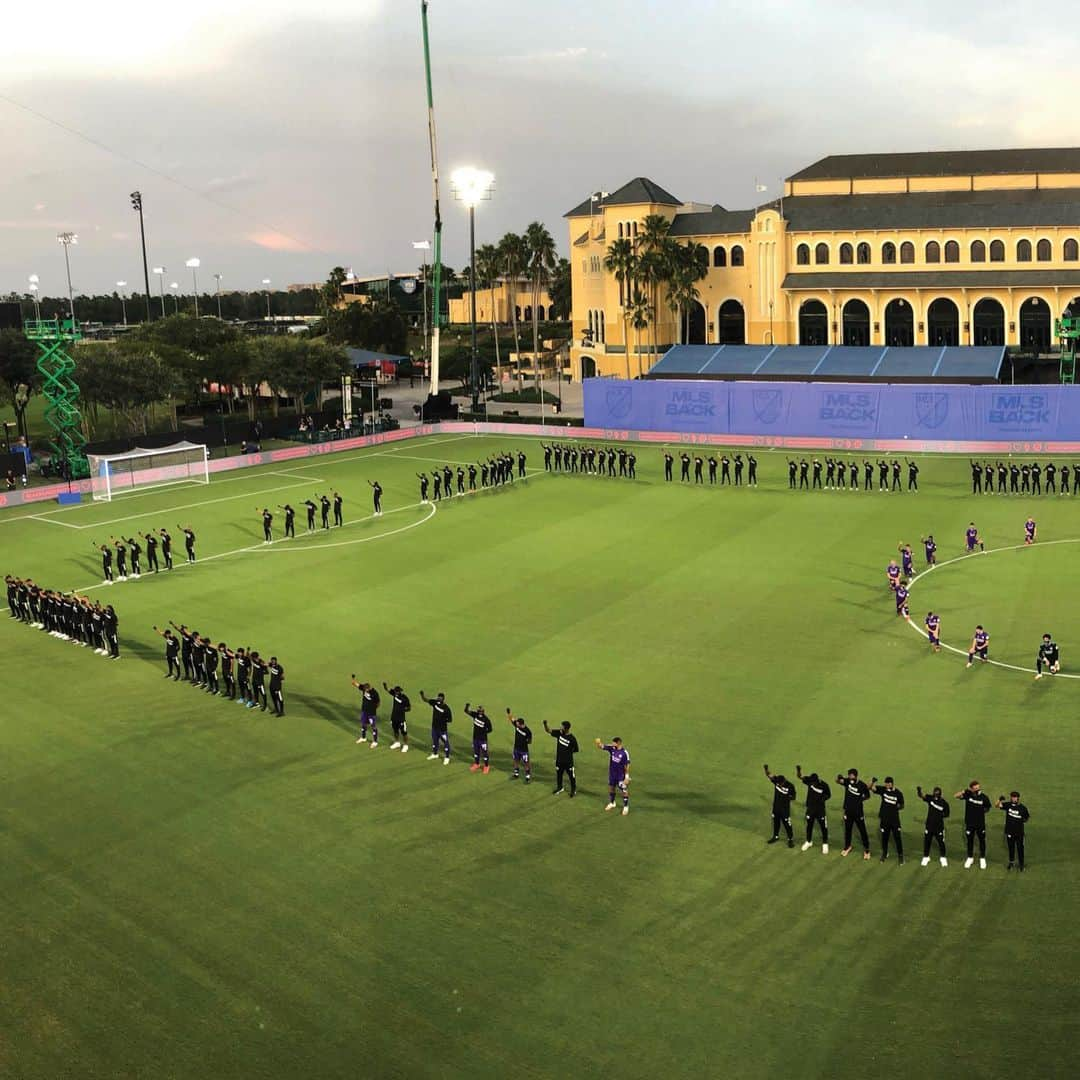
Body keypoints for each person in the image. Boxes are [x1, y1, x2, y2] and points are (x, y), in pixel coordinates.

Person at [836, 768, 872, 859]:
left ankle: (867, 850)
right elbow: (838, 781)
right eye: (849, 775)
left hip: (858, 812)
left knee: (862, 831)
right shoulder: (847, 781)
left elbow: (868, 795)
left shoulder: (862, 785)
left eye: (852, 775)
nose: (850, 777)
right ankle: (847, 846)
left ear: (856, 776)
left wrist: (861, 799)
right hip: (848, 811)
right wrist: (838, 778)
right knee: (848, 830)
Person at [956, 780, 993, 869]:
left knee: (982, 841)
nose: (977, 789)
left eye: (978, 787)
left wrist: (981, 812)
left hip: (980, 823)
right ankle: (970, 858)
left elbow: (988, 807)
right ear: (971, 789)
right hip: (969, 823)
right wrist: (964, 791)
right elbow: (956, 796)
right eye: (975, 788)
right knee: (970, 841)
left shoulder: (984, 797)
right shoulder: (967, 795)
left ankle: (982, 858)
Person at [869, 776, 905, 863]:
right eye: (886, 783)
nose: (887, 785)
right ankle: (885, 853)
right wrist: (872, 782)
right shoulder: (883, 790)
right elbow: (871, 788)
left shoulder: (898, 793)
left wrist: (897, 806)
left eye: (888, 783)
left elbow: (902, 805)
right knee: (884, 838)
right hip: (884, 819)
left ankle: (900, 856)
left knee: (897, 838)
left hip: (894, 820)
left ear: (892, 784)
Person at [795, 765, 830, 853]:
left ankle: (825, 843)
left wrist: (823, 799)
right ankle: (809, 842)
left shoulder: (824, 785)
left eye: (813, 782)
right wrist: (799, 770)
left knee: (823, 827)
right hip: (810, 809)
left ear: (817, 780)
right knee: (809, 826)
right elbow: (799, 776)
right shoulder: (809, 780)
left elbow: (829, 795)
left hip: (820, 810)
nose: (812, 784)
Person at [916, 784, 950, 867]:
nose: (936, 794)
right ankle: (926, 857)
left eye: (937, 793)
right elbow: (922, 796)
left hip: (939, 827)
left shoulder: (944, 803)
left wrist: (939, 816)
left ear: (940, 794)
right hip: (929, 826)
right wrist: (919, 791)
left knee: (941, 843)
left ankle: (943, 857)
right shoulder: (930, 798)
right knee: (927, 842)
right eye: (935, 793)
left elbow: (947, 814)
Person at [543, 719, 579, 796]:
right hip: (559, 760)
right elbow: (548, 730)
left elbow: (576, 749)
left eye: (562, 727)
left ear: (566, 728)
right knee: (559, 775)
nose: (560, 728)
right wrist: (545, 724)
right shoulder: (559, 733)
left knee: (571, 776)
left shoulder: (572, 739)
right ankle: (560, 788)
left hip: (568, 762)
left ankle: (573, 790)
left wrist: (567, 753)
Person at [996, 791, 1030, 871]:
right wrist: (999, 800)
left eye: (1015, 797)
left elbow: (1026, 818)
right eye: (1012, 797)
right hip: (1009, 832)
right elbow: (997, 806)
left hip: (1019, 833)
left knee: (1020, 849)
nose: (1013, 798)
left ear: (1018, 798)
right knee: (1011, 848)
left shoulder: (1023, 808)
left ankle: (1021, 864)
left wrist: (1020, 821)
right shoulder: (1008, 805)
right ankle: (1011, 863)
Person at [763, 764, 796, 846]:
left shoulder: (790, 786)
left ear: (784, 781)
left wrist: (787, 798)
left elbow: (794, 797)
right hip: (776, 807)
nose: (779, 785)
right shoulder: (777, 780)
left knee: (787, 824)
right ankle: (776, 836)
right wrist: (766, 769)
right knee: (776, 822)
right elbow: (769, 775)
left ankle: (790, 839)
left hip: (785, 809)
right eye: (779, 784)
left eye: (781, 784)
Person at [597, 738, 631, 814]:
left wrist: (627, 777)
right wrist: (599, 743)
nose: (612, 744)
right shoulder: (612, 748)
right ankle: (612, 803)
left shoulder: (624, 753)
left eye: (613, 743)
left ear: (618, 743)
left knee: (624, 790)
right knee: (611, 788)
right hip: (612, 774)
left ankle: (626, 806)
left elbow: (627, 765)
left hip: (620, 776)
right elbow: (602, 746)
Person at [420, 690, 453, 763]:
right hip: (434, 728)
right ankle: (435, 754)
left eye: (440, 698)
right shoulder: (435, 703)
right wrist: (422, 695)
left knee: (445, 742)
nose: (439, 698)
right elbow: (426, 700)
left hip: (442, 729)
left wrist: (443, 720)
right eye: (438, 697)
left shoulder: (446, 708)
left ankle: (447, 757)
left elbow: (450, 720)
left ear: (443, 699)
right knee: (435, 741)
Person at [464, 702, 493, 773]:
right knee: (476, 753)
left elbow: (490, 729)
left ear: (483, 712)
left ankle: (486, 766)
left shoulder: (486, 720)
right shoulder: (475, 715)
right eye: (479, 711)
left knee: (484, 754)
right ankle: (477, 764)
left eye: (481, 711)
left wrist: (484, 732)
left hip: (483, 740)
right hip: (475, 738)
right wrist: (467, 706)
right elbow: (466, 711)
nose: (479, 713)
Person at [382, 682, 411, 751]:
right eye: (395, 691)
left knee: (404, 732)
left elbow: (409, 708)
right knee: (395, 731)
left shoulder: (404, 698)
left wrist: (403, 709)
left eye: (397, 691)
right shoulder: (394, 694)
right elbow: (387, 689)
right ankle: (397, 742)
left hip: (401, 718)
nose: (396, 692)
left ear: (400, 691)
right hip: (394, 717)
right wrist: (385, 686)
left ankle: (406, 745)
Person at [506, 708, 532, 782]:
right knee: (516, 761)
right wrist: (509, 713)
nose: (516, 724)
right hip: (516, 748)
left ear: (521, 724)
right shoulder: (517, 726)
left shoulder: (528, 731)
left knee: (526, 763)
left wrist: (525, 742)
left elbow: (530, 741)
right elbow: (512, 719)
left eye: (517, 723)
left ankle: (527, 776)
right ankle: (516, 774)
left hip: (524, 750)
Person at [352, 677, 381, 746]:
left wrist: (373, 709)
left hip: (371, 713)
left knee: (373, 726)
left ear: (369, 688)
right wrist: (353, 680)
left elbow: (378, 703)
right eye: (364, 690)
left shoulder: (375, 693)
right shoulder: (364, 688)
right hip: (364, 711)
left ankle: (375, 741)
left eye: (366, 690)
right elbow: (357, 685)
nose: (365, 691)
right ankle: (363, 737)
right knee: (363, 724)